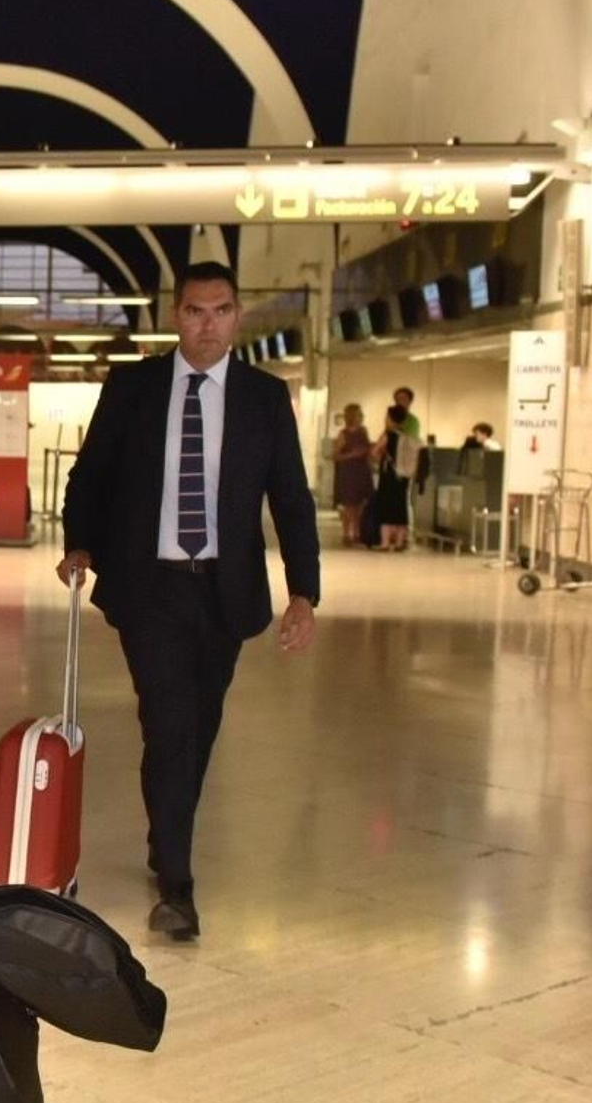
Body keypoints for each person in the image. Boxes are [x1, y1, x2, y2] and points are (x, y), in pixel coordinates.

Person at [57, 261, 319, 943]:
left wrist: (304, 592)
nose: (208, 324)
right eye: (196, 310)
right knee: (170, 723)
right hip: (152, 588)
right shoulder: (135, 388)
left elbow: (290, 498)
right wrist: (79, 540)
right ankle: (177, 884)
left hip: (225, 591)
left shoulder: (264, 398)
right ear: (176, 315)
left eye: (222, 310)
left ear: (238, 316)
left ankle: (165, 833)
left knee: (198, 727)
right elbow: (93, 472)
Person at [369, 403, 414, 551]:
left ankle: (385, 542)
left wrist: (380, 457)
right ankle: (400, 542)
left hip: (389, 475)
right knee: (401, 507)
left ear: (391, 419)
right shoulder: (408, 437)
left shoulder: (387, 435)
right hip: (404, 476)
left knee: (386, 506)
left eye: (387, 417)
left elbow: (374, 453)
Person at [332, 402, 374, 547]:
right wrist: (352, 454)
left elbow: (367, 450)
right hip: (349, 473)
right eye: (358, 414)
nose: (361, 417)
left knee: (360, 505)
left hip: (362, 471)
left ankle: (357, 533)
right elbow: (335, 455)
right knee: (349, 505)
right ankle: (346, 534)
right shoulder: (343, 434)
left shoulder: (363, 431)